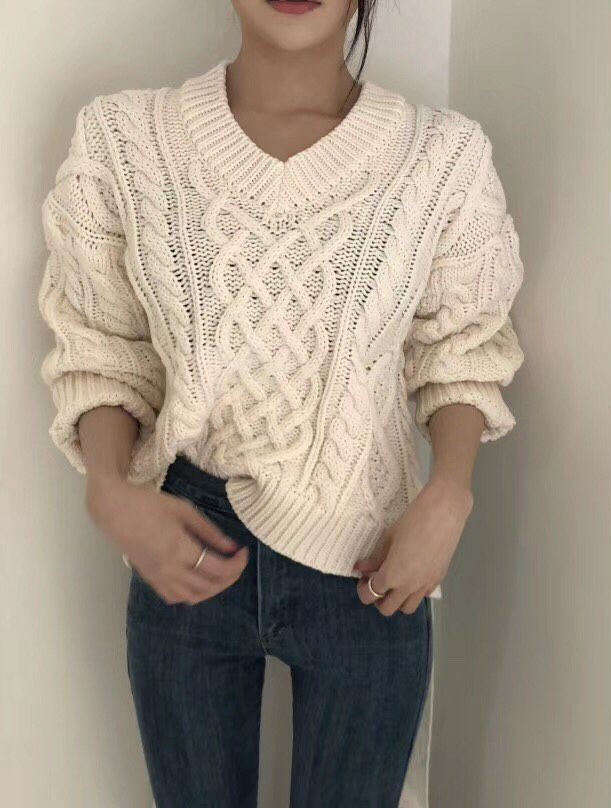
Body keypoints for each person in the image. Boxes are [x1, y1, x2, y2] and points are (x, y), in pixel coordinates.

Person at [36, 1, 525, 805]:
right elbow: (101, 347)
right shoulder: (124, 143)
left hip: (371, 558)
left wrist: (450, 491)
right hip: (187, 544)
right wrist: (109, 489)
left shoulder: (441, 159)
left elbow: (462, 351)